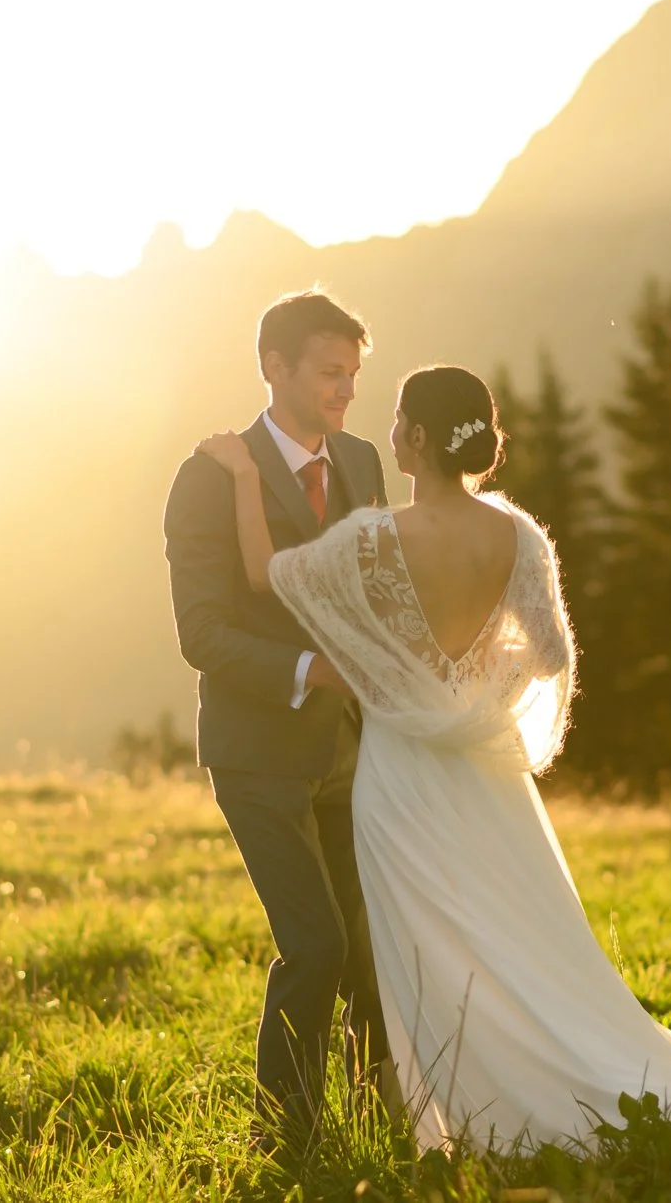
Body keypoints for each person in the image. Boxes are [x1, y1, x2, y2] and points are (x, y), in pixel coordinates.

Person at [192, 363, 671, 1151]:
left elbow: (264, 576)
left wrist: (244, 476)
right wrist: (473, 683)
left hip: (399, 775)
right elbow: (549, 654)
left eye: (399, 421)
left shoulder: (374, 540)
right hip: (487, 778)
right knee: (511, 929)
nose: (388, 433)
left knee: (420, 942)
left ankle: (450, 1103)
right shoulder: (519, 536)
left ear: (420, 438)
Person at [162, 290, 391, 1146]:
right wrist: (309, 670)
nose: (346, 390)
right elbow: (202, 633)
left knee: (372, 946)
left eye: (353, 373)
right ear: (275, 367)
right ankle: (287, 1138)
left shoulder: (361, 460)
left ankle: (382, 1117)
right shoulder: (206, 478)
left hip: (354, 748)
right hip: (257, 753)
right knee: (316, 944)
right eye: (331, 372)